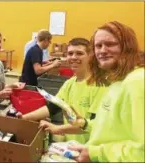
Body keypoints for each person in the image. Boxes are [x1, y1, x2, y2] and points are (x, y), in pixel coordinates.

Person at [67, 21, 144, 162]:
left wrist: (95, 153)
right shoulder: (116, 83)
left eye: (110, 44)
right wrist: (84, 124)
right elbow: (112, 128)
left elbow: (141, 152)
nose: (102, 51)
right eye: (98, 46)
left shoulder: (137, 81)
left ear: (128, 46)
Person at [18, 38, 107, 144]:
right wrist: (24, 118)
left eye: (79, 53)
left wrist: (58, 128)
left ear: (90, 56)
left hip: (88, 149)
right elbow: (53, 107)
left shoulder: (99, 86)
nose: (73, 57)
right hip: (71, 145)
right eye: (70, 53)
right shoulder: (70, 83)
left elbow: (96, 125)